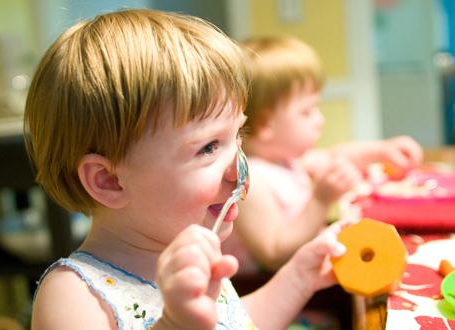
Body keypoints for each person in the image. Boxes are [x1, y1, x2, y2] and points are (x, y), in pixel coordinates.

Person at [25, 10, 349, 330]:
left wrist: (299, 277)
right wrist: (175, 325)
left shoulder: (188, 249)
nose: (240, 171)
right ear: (109, 181)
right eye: (208, 148)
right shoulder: (72, 295)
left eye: (238, 137)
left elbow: (235, 323)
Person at [222, 36, 423, 272]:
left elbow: (334, 157)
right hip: (281, 296)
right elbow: (274, 254)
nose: (320, 119)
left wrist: (382, 150)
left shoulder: (286, 160)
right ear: (266, 124)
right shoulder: (248, 181)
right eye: (307, 112)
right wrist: (320, 201)